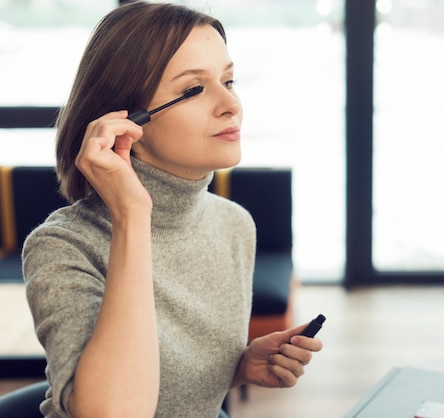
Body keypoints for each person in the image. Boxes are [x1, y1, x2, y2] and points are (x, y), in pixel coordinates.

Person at [21, 2, 323, 417]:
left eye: (229, 80)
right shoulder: (63, 246)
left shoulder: (233, 224)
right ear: (124, 122)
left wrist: (235, 368)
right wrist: (132, 215)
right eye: (193, 90)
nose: (231, 104)